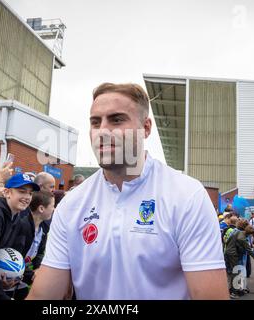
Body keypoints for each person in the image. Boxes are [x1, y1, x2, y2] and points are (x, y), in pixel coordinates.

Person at [27, 82, 229, 300]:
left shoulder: (186, 196)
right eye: (96, 122)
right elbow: (46, 294)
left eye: (116, 120)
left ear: (146, 128)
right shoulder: (72, 204)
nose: (102, 131)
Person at [9, 191, 55, 299]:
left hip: (21, 277)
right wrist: (32, 275)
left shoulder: (43, 228)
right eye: (52, 206)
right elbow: (16, 257)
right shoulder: (23, 226)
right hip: (10, 278)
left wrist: (38, 269)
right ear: (41, 209)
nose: (54, 209)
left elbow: (39, 253)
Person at [224, 220, 254, 299]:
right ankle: (233, 292)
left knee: (233, 272)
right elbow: (249, 251)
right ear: (249, 233)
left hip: (229, 253)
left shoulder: (237, 232)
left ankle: (234, 289)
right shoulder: (242, 238)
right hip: (233, 255)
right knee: (235, 272)